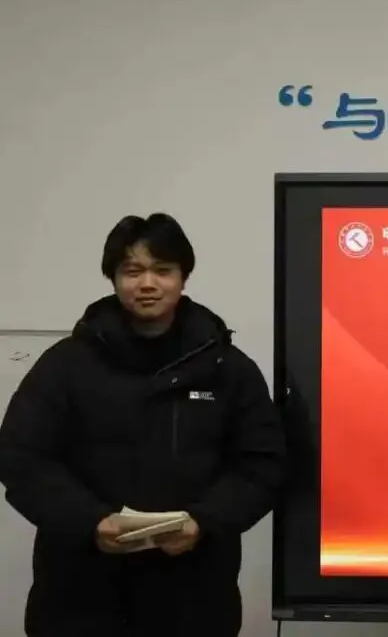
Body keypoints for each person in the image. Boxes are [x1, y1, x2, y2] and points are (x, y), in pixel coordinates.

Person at [0, 213, 287, 636]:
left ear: (183, 277)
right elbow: (20, 457)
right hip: (78, 593)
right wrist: (90, 521)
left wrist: (203, 521)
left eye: (162, 270)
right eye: (132, 271)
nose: (147, 283)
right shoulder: (66, 364)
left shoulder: (228, 368)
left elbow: (262, 465)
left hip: (193, 594)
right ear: (114, 279)